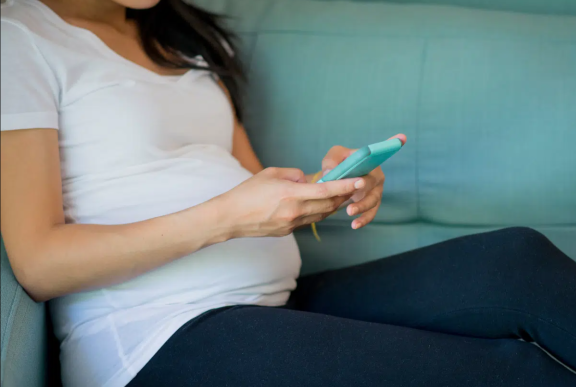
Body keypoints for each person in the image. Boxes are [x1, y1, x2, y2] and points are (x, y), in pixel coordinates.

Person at [1, 1, 575, 386]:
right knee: (514, 372)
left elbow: (252, 188)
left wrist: (327, 189)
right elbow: (39, 261)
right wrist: (228, 216)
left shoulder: (179, 37)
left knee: (514, 258)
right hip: (159, 338)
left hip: (275, 300)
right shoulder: (20, 35)